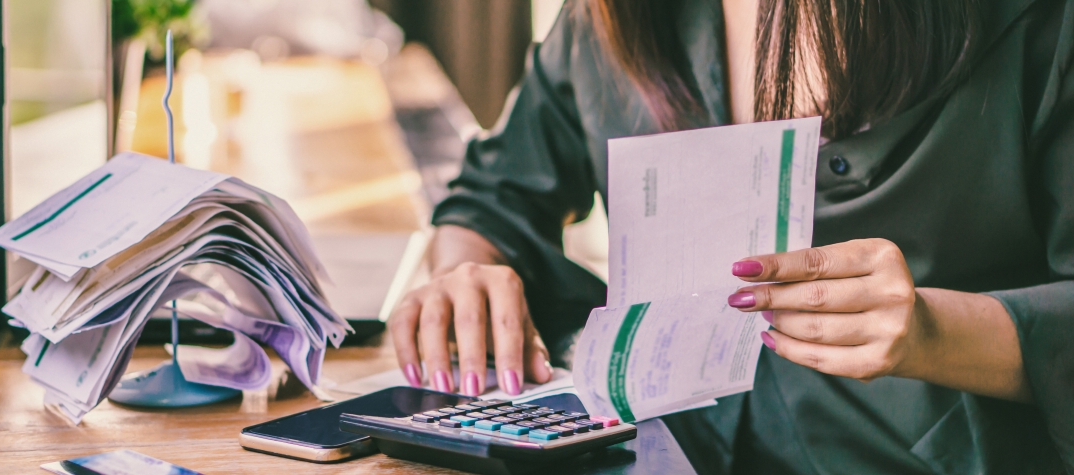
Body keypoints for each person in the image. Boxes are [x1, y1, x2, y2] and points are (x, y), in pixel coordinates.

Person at [389, 0, 1074, 472]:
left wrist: (935, 330)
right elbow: (492, 192)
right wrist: (465, 271)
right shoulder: (612, 20)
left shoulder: (1039, 28)